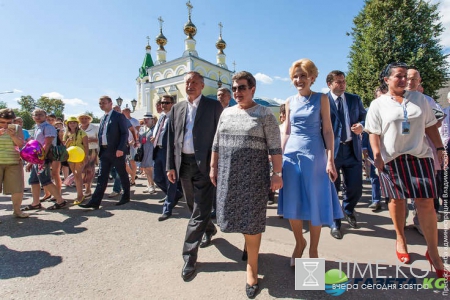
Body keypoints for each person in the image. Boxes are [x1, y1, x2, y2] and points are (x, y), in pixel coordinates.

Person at [365, 62, 448, 279]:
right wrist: (376, 155)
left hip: (420, 156)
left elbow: (430, 125)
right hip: (392, 158)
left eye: (406, 76)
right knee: (397, 201)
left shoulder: (420, 99)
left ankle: (434, 253)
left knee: (426, 203)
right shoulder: (378, 104)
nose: (404, 80)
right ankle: (400, 238)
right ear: (386, 80)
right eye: (398, 76)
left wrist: (439, 148)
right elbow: (373, 132)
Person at [210, 71, 282, 298]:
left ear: (253, 89)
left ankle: (252, 268)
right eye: (235, 88)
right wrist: (213, 167)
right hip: (229, 175)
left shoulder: (264, 114)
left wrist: (277, 173)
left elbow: (275, 148)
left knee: (251, 220)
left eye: (242, 87)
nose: (237, 92)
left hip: (254, 177)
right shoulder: (226, 113)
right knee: (237, 216)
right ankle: (249, 248)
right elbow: (217, 142)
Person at [278, 59, 342, 266]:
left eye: (303, 75)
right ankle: (300, 243)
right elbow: (286, 131)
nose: (299, 80)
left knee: (315, 202)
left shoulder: (321, 99)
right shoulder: (289, 101)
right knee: (292, 201)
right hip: (291, 157)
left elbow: (328, 130)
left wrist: (330, 160)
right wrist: (278, 160)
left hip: (315, 155)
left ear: (312, 78)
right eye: (295, 76)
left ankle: (313, 250)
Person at [166, 71, 223, 281]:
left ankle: (189, 257)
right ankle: (209, 228)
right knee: (193, 206)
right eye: (187, 82)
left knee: (198, 211)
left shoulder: (213, 106)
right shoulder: (177, 108)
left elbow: (220, 137)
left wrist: (217, 166)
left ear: (202, 85)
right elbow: (171, 138)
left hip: (205, 165)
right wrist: (170, 166)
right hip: (183, 165)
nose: (190, 85)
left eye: (194, 82)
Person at [326, 70, 366, 240]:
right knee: (333, 188)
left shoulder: (354, 99)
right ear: (329, 84)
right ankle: (335, 222)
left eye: (343, 81)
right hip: (332, 152)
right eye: (338, 82)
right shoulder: (323, 100)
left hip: (352, 149)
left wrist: (362, 126)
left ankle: (348, 210)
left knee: (355, 187)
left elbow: (365, 117)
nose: (342, 84)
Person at [79, 96, 130, 209]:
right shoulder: (103, 118)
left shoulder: (118, 116)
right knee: (102, 176)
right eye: (100, 103)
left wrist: (121, 148)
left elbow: (124, 133)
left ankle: (126, 196)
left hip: (116, 151)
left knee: (121, 174)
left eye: (103, 103)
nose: (101, 105)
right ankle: (95, 202)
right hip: (104, 151)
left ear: (110, 103)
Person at [21, 109, 66, 211]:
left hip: (43, 158)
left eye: (40, 115)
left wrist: (41, 158)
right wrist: (31, 161)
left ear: (45, 116)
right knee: (33, 180)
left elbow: (48, 143)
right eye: (35, 115)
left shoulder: (48, 127)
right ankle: (36, 203)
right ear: (32, 117)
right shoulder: (38, 127)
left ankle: (60, 201)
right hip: (37, 158)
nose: (38, 116)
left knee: (45, 180)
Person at [153, 95, 183, 221]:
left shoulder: (175, 117)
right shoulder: (161, 117)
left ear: (173, 104)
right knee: (157, 178)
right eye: (162, 102)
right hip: (158, 150)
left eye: (166, 102)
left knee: (170, 181)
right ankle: (176, 194)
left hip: (169, 152)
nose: (163, 105)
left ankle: (167, 209)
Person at [0, 109, 28, 220]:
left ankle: (17, 211)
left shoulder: (17, 128)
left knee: (17, 188)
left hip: (14, 162)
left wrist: (13, 136)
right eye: (2, 122)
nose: (6, 125)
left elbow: (21, 144)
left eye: (9, 122)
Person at [63, 116, 89, 205]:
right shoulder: (66, 134)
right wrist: (68, 142)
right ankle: (80, 194)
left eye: (74, 122)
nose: (72, 124)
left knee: (78, 175)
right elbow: (64, 146)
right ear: (68, 124)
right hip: (70, 156)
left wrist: (85, 157)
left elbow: (86, 145)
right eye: (70, 123)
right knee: (75, 175)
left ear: (77, 124)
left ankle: (80, 195)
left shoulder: (82, 133)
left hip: (80, 156)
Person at [78, 113, 99, 198]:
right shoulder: (77, 128)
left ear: (89, 119)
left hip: (92, 150)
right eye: (82, 118)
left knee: (89, 169)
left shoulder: (95, 128)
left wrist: (91, 140)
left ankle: (88, 189)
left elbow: (101, 139)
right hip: (80, 151)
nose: (84, 120)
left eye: (86, 118)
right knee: (81, 170)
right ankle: (85, 185)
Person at [122, 107, 140, 186]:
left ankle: (132, 179)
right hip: (124, 143)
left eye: (124, 111)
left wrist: (135, 141)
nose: (123, 112)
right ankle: (133, 175)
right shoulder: (121, 120)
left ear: (129, 111)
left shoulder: (135, 121)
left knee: (132, 161)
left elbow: (137, 132)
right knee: (124, 162)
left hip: (131, 144)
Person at [139, 112, 156, 194]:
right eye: (144, 119)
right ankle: (149, 184)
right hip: (144, 150)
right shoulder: (144, 128)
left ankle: (152, 185)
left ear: (152, 120)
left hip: (151, 151)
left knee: (149, 168)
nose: (145, 120)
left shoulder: (155, 129)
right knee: (145, 169)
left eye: (147, 119)